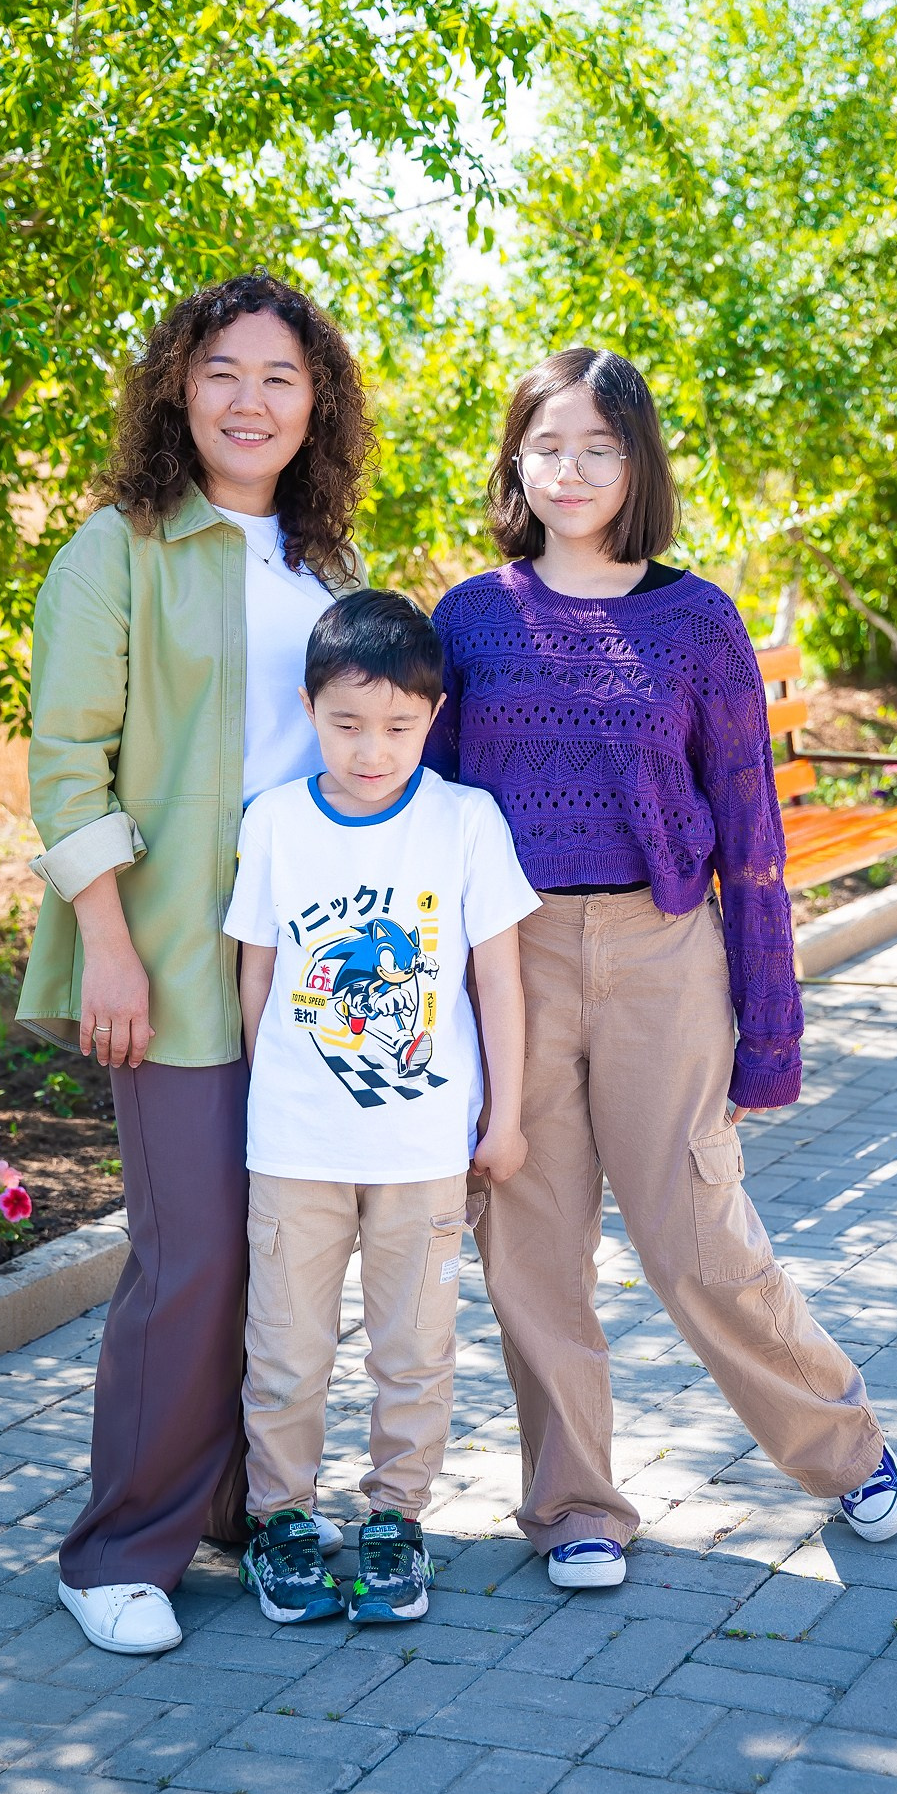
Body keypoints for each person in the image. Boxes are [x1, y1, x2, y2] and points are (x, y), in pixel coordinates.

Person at [426, 347, 897, 1590]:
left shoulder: (696, 620)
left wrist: (769, 1031)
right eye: (546, 446)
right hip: (511, 965)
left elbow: (749, 834)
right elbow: (425, 815)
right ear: (515, 461)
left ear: (636, 462)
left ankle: (843, 1445)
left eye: (598, 447)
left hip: (661, 955)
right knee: (529, 1249)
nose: (569, 470)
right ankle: (574, 1505)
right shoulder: (468, 617)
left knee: (696, 1236)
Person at [16, 271, 374, 1654]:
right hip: (166, 955)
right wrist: (107, 948)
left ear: (316, 404)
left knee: (277, 1252)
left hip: (310, 970)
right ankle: (117, 1550)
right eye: (222, 370)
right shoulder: (118, 549)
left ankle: (230, 1505)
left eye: (280, 377)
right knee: (192, 1257)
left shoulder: (326, 563)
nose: (249, 400)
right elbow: (66, 764)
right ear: (178, 384)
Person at [223, 589, 538, 1624]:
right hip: (296, 1150)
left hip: (422, 1148)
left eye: (399, 728)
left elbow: (498, 980)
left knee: (414, 1350)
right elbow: (257, 978)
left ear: (433, 717)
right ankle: (281, 1520)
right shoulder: (275, 822)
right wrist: (270, 1099)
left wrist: (505, 1116)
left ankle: (397, 1519)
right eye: (347, 724)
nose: (372, 751)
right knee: (286, 1349)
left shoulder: (465, 821)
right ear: (309, 710)